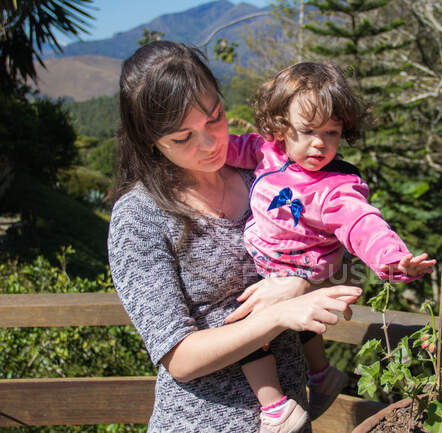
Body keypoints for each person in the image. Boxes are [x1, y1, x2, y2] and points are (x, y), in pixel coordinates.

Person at [107, 41, 361, 433]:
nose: (209, 144)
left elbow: (341, 265)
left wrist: (297, 284)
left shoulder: (261, 175)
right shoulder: (138, 217)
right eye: (182, 138)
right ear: (149, 140)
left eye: (215, 118)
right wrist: (277, 315)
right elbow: (180, 357)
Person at [224, 62, 436, 433]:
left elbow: (363, 224)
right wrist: (198, 145)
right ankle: (321, 375)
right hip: (272, 265)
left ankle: (275, 407)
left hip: (300, 269)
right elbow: (232, 148)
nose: (319, 143)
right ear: (280, 128)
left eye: (331, 132)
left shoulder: (334, 188)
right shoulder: (268, 152)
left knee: (242, 321)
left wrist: (393, 259)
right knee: (283, 325)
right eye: (306, 131)